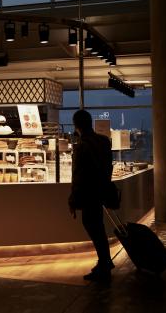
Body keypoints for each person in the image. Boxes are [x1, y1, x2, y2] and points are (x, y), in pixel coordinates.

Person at [68, 109, 114, 282]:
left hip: (88, 193)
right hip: (101, 190)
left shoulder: (81, 146)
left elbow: (78, 176)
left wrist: (72, 199)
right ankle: (105, 262)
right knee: (98, 227)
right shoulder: (104, 141)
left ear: (77, 126)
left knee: (93, 227)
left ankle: (104, 264)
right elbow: (109, 166)